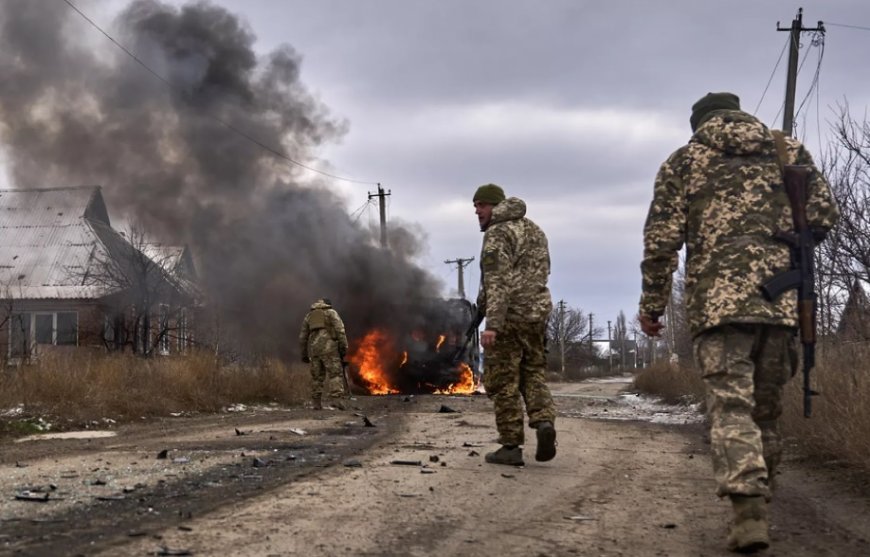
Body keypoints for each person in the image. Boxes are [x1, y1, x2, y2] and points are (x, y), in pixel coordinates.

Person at [639, 92, 839, 553]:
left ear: (699, 124)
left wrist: (652, 306)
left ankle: (748, 512)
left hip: (719, 308)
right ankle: (761, 502)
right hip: (783, 304)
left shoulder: (684, 160)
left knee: (731, 408)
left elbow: (661, 242)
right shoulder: (787, 150)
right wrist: (786, 241)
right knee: (766, 411)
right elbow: (825, 216)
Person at [473, 183, 557, 467]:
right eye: (475, 206)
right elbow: (542, 271)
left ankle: (511, 446)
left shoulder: (498, 233)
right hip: (537, 315)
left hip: (508, 318)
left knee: (502, 382)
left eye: (481, 205)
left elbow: (497, 282)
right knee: (533, 372)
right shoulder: (534, 230)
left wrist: (492, 324)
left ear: (496, 206)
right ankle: (544, 421)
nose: (477, 211)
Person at [299, 298, 349, 410]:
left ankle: (316, 403)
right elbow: (340, 330)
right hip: (329, 348)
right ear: (328, 305)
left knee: (317, 376)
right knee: (335, 374)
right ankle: (336, 400)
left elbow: (303, 337)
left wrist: (304, 354)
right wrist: (343, 347)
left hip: (314, 350)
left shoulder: (309, 316)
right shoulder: (331, 313)